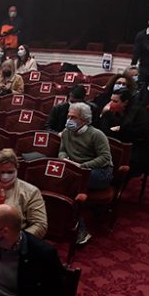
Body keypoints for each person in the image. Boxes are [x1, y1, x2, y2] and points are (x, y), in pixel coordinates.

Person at [59, 102, 112, 245]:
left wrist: (82, 166)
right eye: (69, 116)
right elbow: (62, 150)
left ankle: (81, 230)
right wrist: (64, 159)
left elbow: (105, 158)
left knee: (72, 185)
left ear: (84, 120)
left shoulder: (96, 134)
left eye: (74, 117)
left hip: (100, 173)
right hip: (76, 171)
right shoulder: (66, 132)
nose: (69, 120)